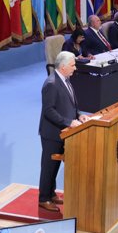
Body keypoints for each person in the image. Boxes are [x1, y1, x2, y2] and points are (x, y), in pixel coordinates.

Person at [38, 51, 89, 212]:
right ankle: (44, 198)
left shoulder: (65, 80)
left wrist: (79, 115)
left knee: (55, 166)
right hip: (52, 133)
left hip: (64, 132)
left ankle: (51, 193)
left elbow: (70, 105)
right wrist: (68, 122)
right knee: (48, 166)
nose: (75, 68)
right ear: (63, 66)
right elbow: (49, 111)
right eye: (73, 65)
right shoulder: (51, 84)